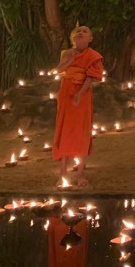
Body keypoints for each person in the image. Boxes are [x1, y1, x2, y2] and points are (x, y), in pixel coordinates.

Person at [52, 25, 103, 188]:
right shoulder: (67, 53)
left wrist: (80, 93)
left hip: (82, 95)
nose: (81, 33)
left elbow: (90, 77)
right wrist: (69, 61)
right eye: (78, 31)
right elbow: (58, 71)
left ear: (90, 39)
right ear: (74, 38)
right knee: (64, 130)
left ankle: (81, 173)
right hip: (66, 94)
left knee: (81, 132)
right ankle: (62, 174)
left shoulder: (94, 56)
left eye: (85, 31)